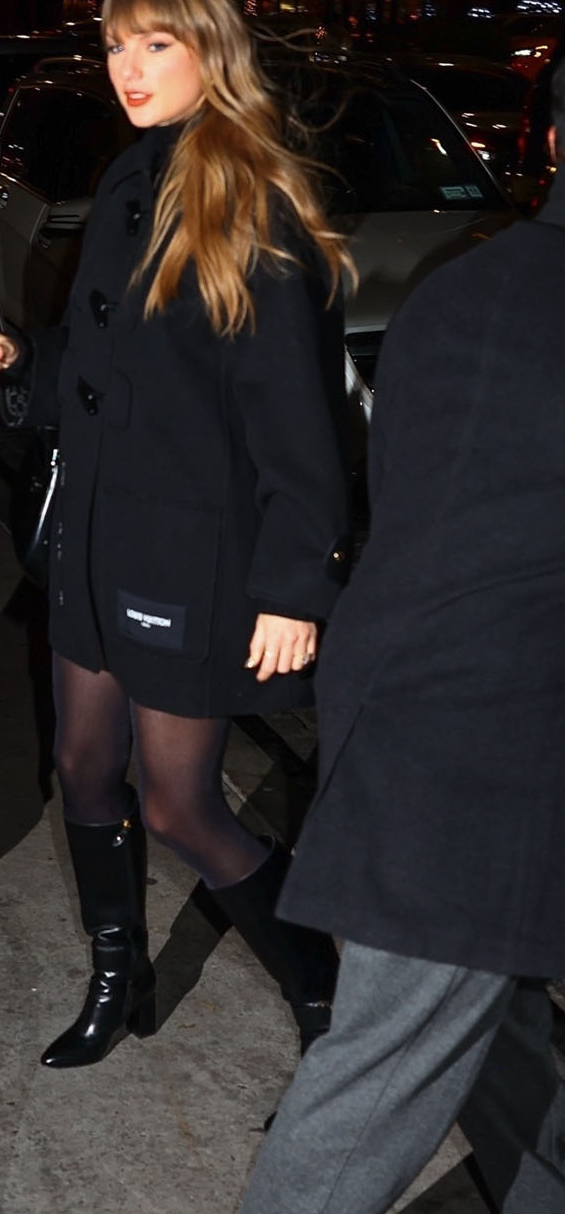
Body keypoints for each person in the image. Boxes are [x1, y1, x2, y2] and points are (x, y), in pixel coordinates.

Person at [0, 0, 352, 1070]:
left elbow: (298, 419)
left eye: (155, 44)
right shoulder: (135, 173)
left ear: (210, 51)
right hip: (95, 532)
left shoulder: (249, 202)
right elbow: (103, 358)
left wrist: (295, 585)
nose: (126, 67)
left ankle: (321, 988)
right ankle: (116, 977)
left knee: (180, 806)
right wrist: (19, 360)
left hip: (190, 551)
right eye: (115, 45)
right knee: (83, 767)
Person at [237, 71, 565, 1214]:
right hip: (496, 743)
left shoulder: (457, 285)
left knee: (472, 1017)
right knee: (387, 1067)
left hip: (398, 699)